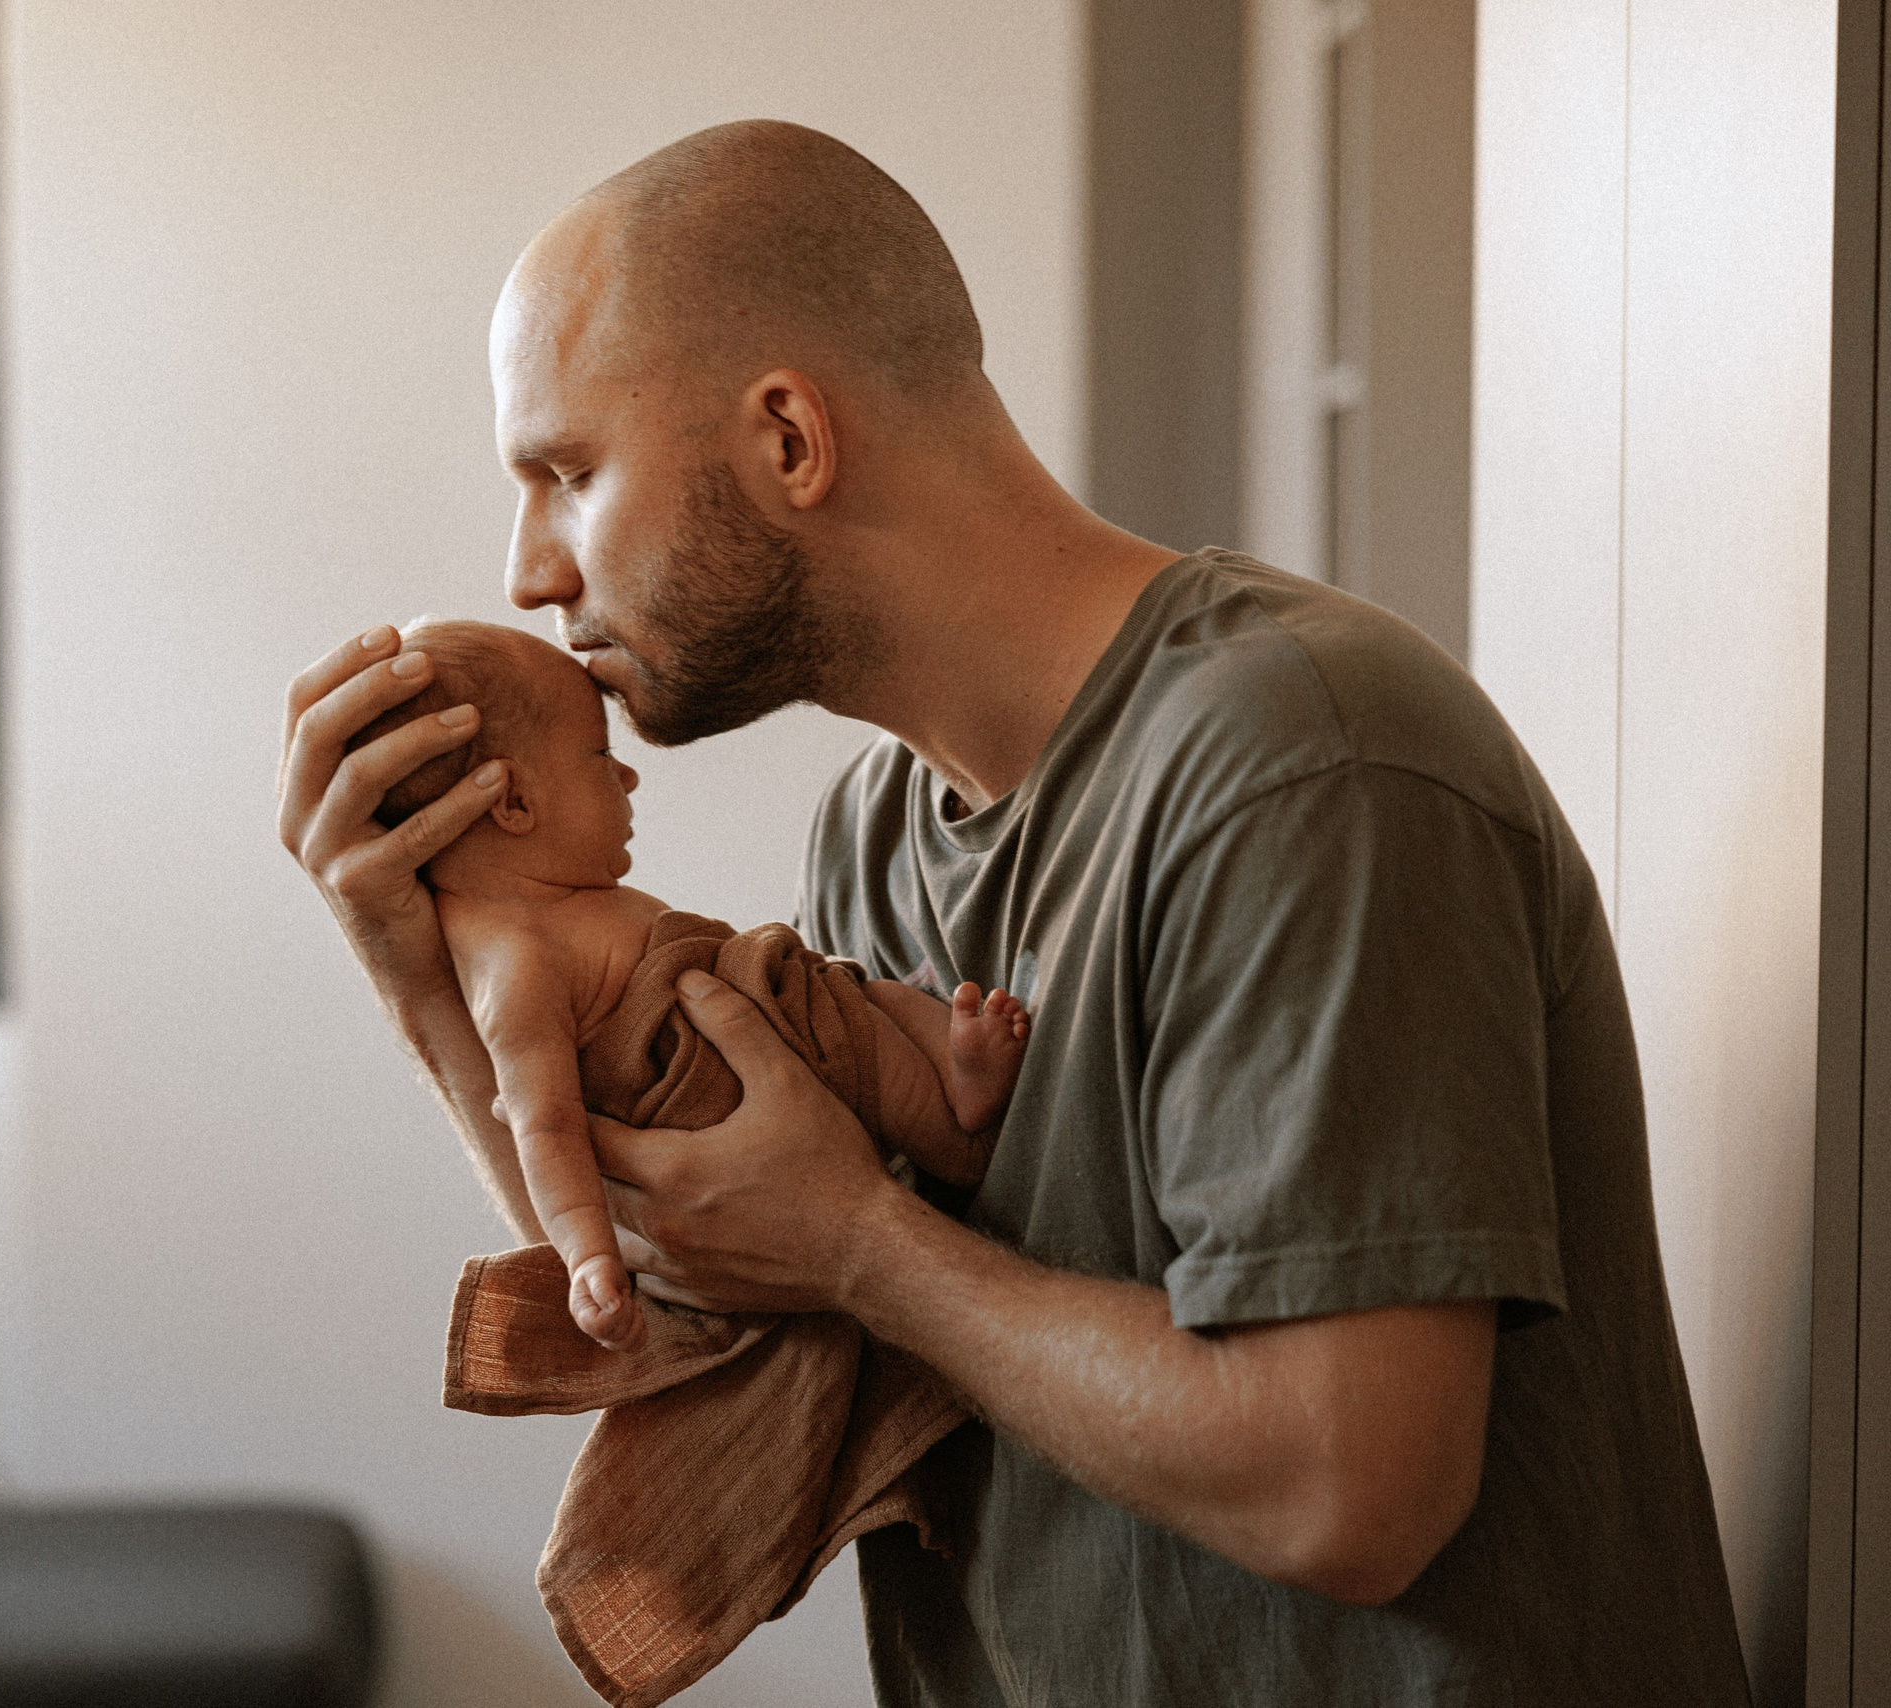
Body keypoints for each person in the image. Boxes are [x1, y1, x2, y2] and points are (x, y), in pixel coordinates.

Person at [277, 119, 1751, 1704]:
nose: (530, 576)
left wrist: (864, 1245)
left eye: (568, 474)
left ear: (789, 438)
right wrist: (423, 969)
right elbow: (685, 1323)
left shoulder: (1305, 758)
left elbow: (1351, 1490)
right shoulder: (873, 837)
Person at [346, 615, 1028, 1350]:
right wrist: (587, 1258)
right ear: (513, 805)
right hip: (749, 1056)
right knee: (864, 1033)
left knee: (878, 996)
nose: (627, 774)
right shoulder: (512, 962)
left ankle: (957, 1082)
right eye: (599, 754)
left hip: (775, 996)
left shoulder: (544, 911)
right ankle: (960, 1142)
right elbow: (546, 1123)